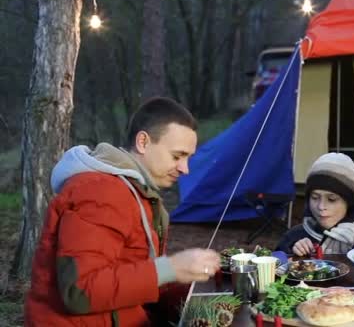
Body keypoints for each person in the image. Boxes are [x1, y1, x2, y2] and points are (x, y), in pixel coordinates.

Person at [25, 97, 221, 326]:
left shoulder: (137, 193)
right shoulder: (101, 192)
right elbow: (81, 291)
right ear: (143, 142)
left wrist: (203, 277)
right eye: (177, 156)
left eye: (188, 158)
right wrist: (172, 267)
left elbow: (135, 279)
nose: (185, 168)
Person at [276, 152, 354, 256]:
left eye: (332, 199)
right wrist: (292, 253)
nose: (321, 207)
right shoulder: (293, 237)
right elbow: (275, 267)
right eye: (315, 197)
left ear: (350, 201)